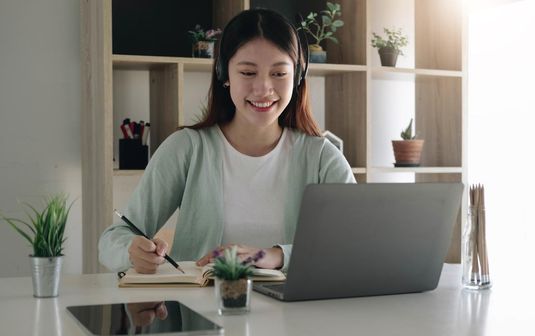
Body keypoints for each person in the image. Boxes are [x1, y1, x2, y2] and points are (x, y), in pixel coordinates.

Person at [98, 8, 355, 274]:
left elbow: (355, 243)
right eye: (247, 73)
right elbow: (112, 239)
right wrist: (131, 250)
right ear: (224, 75)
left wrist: (276, 256)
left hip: (295, 314)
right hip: (204, 311)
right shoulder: (186, 148)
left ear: (298, 77)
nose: (263, 88)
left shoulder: (322, 156)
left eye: (279, 74)